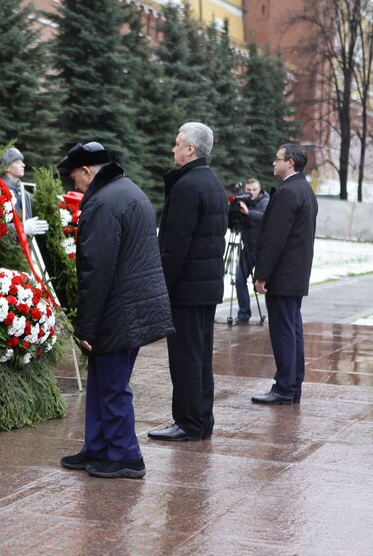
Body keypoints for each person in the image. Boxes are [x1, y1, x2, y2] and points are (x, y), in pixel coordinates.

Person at [56, 142, 173, 479]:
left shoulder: (104, 202)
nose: (74, 187)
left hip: (118, 308)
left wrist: (86, 327)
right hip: (129, 304)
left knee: (112, 385)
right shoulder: (126, 190)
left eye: (74, 179)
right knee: (103, 381)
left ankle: (126, 456)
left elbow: (97, 270)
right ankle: (97, 447)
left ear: (87, 171)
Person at [148, 122, 227, 442]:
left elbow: (174, 245)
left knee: (185, 358)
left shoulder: (187, 186)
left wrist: (159, 287)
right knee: (199, 356)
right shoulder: (211, 182)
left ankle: (190, 422)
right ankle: (200, 420)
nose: (173, 148)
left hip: (187, 288)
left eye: (178, 143)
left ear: (190, 149)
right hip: (204, 287)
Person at [251, 144, 318, 405]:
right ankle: (292, 385)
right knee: (292, 330)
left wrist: (262, 274)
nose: (273, 164)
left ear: (289, 162)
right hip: (295, 274)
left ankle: (284, 387)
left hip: (283, 275)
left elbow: (275, 238)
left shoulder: (288, 191)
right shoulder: (305, 190)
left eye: (277, 159)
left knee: (283, 332)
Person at [233, 178, 269, 324]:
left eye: (255, 190)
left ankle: (275, 314)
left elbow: (264, 217)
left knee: (264, 284)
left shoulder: (265, 201)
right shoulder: (244, 201)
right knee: (239, 280)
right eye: (249, 190)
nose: (252, 193)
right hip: (247, 247)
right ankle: (243, 314)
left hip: (262, 249)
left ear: (259, 189)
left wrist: (248, 212)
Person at [0, 147, 49, 236]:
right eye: (17, 162)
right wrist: (21, 228)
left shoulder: (23, 192)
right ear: (7, 167)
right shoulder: (0, 190)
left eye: (22, 161)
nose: (23, 165)